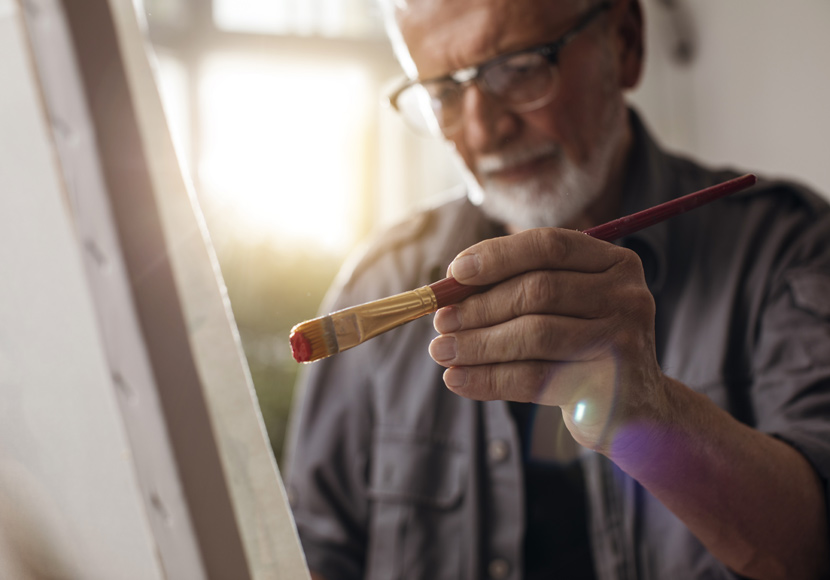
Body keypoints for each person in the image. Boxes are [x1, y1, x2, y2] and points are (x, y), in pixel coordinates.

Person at [286, 0, 830, 578]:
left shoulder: (785, 251)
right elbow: (309, 553)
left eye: (519, 68)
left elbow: (815, 550)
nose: (482, 128)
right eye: (444, 92)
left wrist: (650, 412)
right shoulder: (379, 280)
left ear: (625, 42)